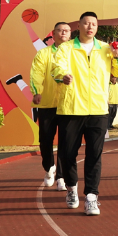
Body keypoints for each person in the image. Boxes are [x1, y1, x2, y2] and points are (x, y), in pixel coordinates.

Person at [52, 11, 118, 216]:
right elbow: (56, 68)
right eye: (86, 23)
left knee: (94, 154)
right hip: (71, 109)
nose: (90, 27)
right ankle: (72, 188)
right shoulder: (66, 48)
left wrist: (117, 57)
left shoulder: (106, 48)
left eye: (93, 24)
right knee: (68, 154)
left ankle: (92, 197)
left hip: (98, 110)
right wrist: (63, 75)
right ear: (79, 26)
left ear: (97, 27)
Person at [31, 22, 71, 188]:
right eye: (60, 30)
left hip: (67, 104)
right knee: (45, 140)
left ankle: (61, 177)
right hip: (47, 104)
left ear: (70, 34)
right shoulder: (43, 54)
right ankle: (49, 168)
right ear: (53, 35)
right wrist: (37, 91)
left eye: (66, 31)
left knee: (65, 142)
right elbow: (37, 73)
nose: (63, 33)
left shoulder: (74, 53)